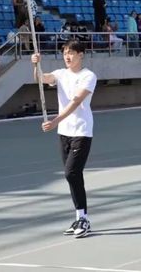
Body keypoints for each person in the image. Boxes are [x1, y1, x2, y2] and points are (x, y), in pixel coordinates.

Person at [31, 40, 97, 239]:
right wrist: (36, 65)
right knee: (73, 176)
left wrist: (54, 121)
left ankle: (83, 219)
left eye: (71, 53)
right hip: (64, 132)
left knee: (71, 173)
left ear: (81, 55)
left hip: (81, 131)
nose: (67, 56)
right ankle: (80, 217)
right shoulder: (60, 74)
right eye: (65, 53)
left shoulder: (88, 76)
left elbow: (76, 102)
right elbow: (41, 79)